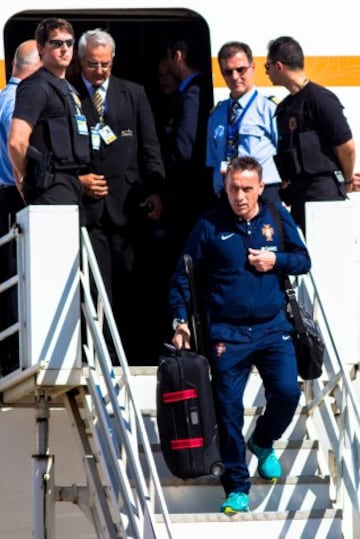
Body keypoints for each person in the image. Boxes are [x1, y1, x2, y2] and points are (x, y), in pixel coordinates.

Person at [168, 156, 311, 513]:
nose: (240, 196)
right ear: (225, 188)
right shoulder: (209, 225)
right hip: (226, 335)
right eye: (234, 188)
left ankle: (263, 441)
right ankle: (236, 488)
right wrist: (180, 320)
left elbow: (303, 260)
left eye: (248, 188)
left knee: (288, 392)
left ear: (261, 187)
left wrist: (274, 261)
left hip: (273, 328)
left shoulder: (277, 218)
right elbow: (182, 277)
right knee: (228, 410)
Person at [72, 28, 165, 364]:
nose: (100, 71)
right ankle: (101, 352)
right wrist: (78, 181)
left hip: (130, 204)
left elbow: (149, 146)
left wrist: (156, 189)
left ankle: (136, 348)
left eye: (106, 65)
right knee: (98, 284)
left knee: (131, 282)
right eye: (93, 65)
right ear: (81, 61)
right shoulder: (69, 96)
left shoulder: (134, 94)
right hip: (90, 208)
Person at [265, 36, 356, 233]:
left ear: (278, 66)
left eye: (267, 66)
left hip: (324, 195)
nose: (267, 72)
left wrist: (346, 181)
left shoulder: (319, 99)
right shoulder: (287, 106)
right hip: (299, 197)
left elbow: (346, 146)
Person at [8, 18, 91, 218]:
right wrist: (24, 179)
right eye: (56, 43)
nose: (65, 49)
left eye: (69, 43)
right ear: (41, 47)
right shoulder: (35, 87)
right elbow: (16, 142)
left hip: (70, 186)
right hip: (48, 188)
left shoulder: (68, 89)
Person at [0, 39, 42, 375]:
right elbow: (20, 145)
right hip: (15, 193)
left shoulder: (3, 96)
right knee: (20, 276)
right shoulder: (19, 102)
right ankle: (18, 355)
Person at [206, 41, 281, 205]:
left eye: (240, 70)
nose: (234, 77)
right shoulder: (216, 115)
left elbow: (284, 154)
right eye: (228, 72)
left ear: (253, 67)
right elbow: (213, 161)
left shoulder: (269, 109)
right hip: (227, 195)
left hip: (263, 194)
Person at [162, 35, 215, 264]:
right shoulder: (197, 89)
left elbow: (184, 148)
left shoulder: (193, 92)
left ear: (178, 56)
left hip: (191, 190)